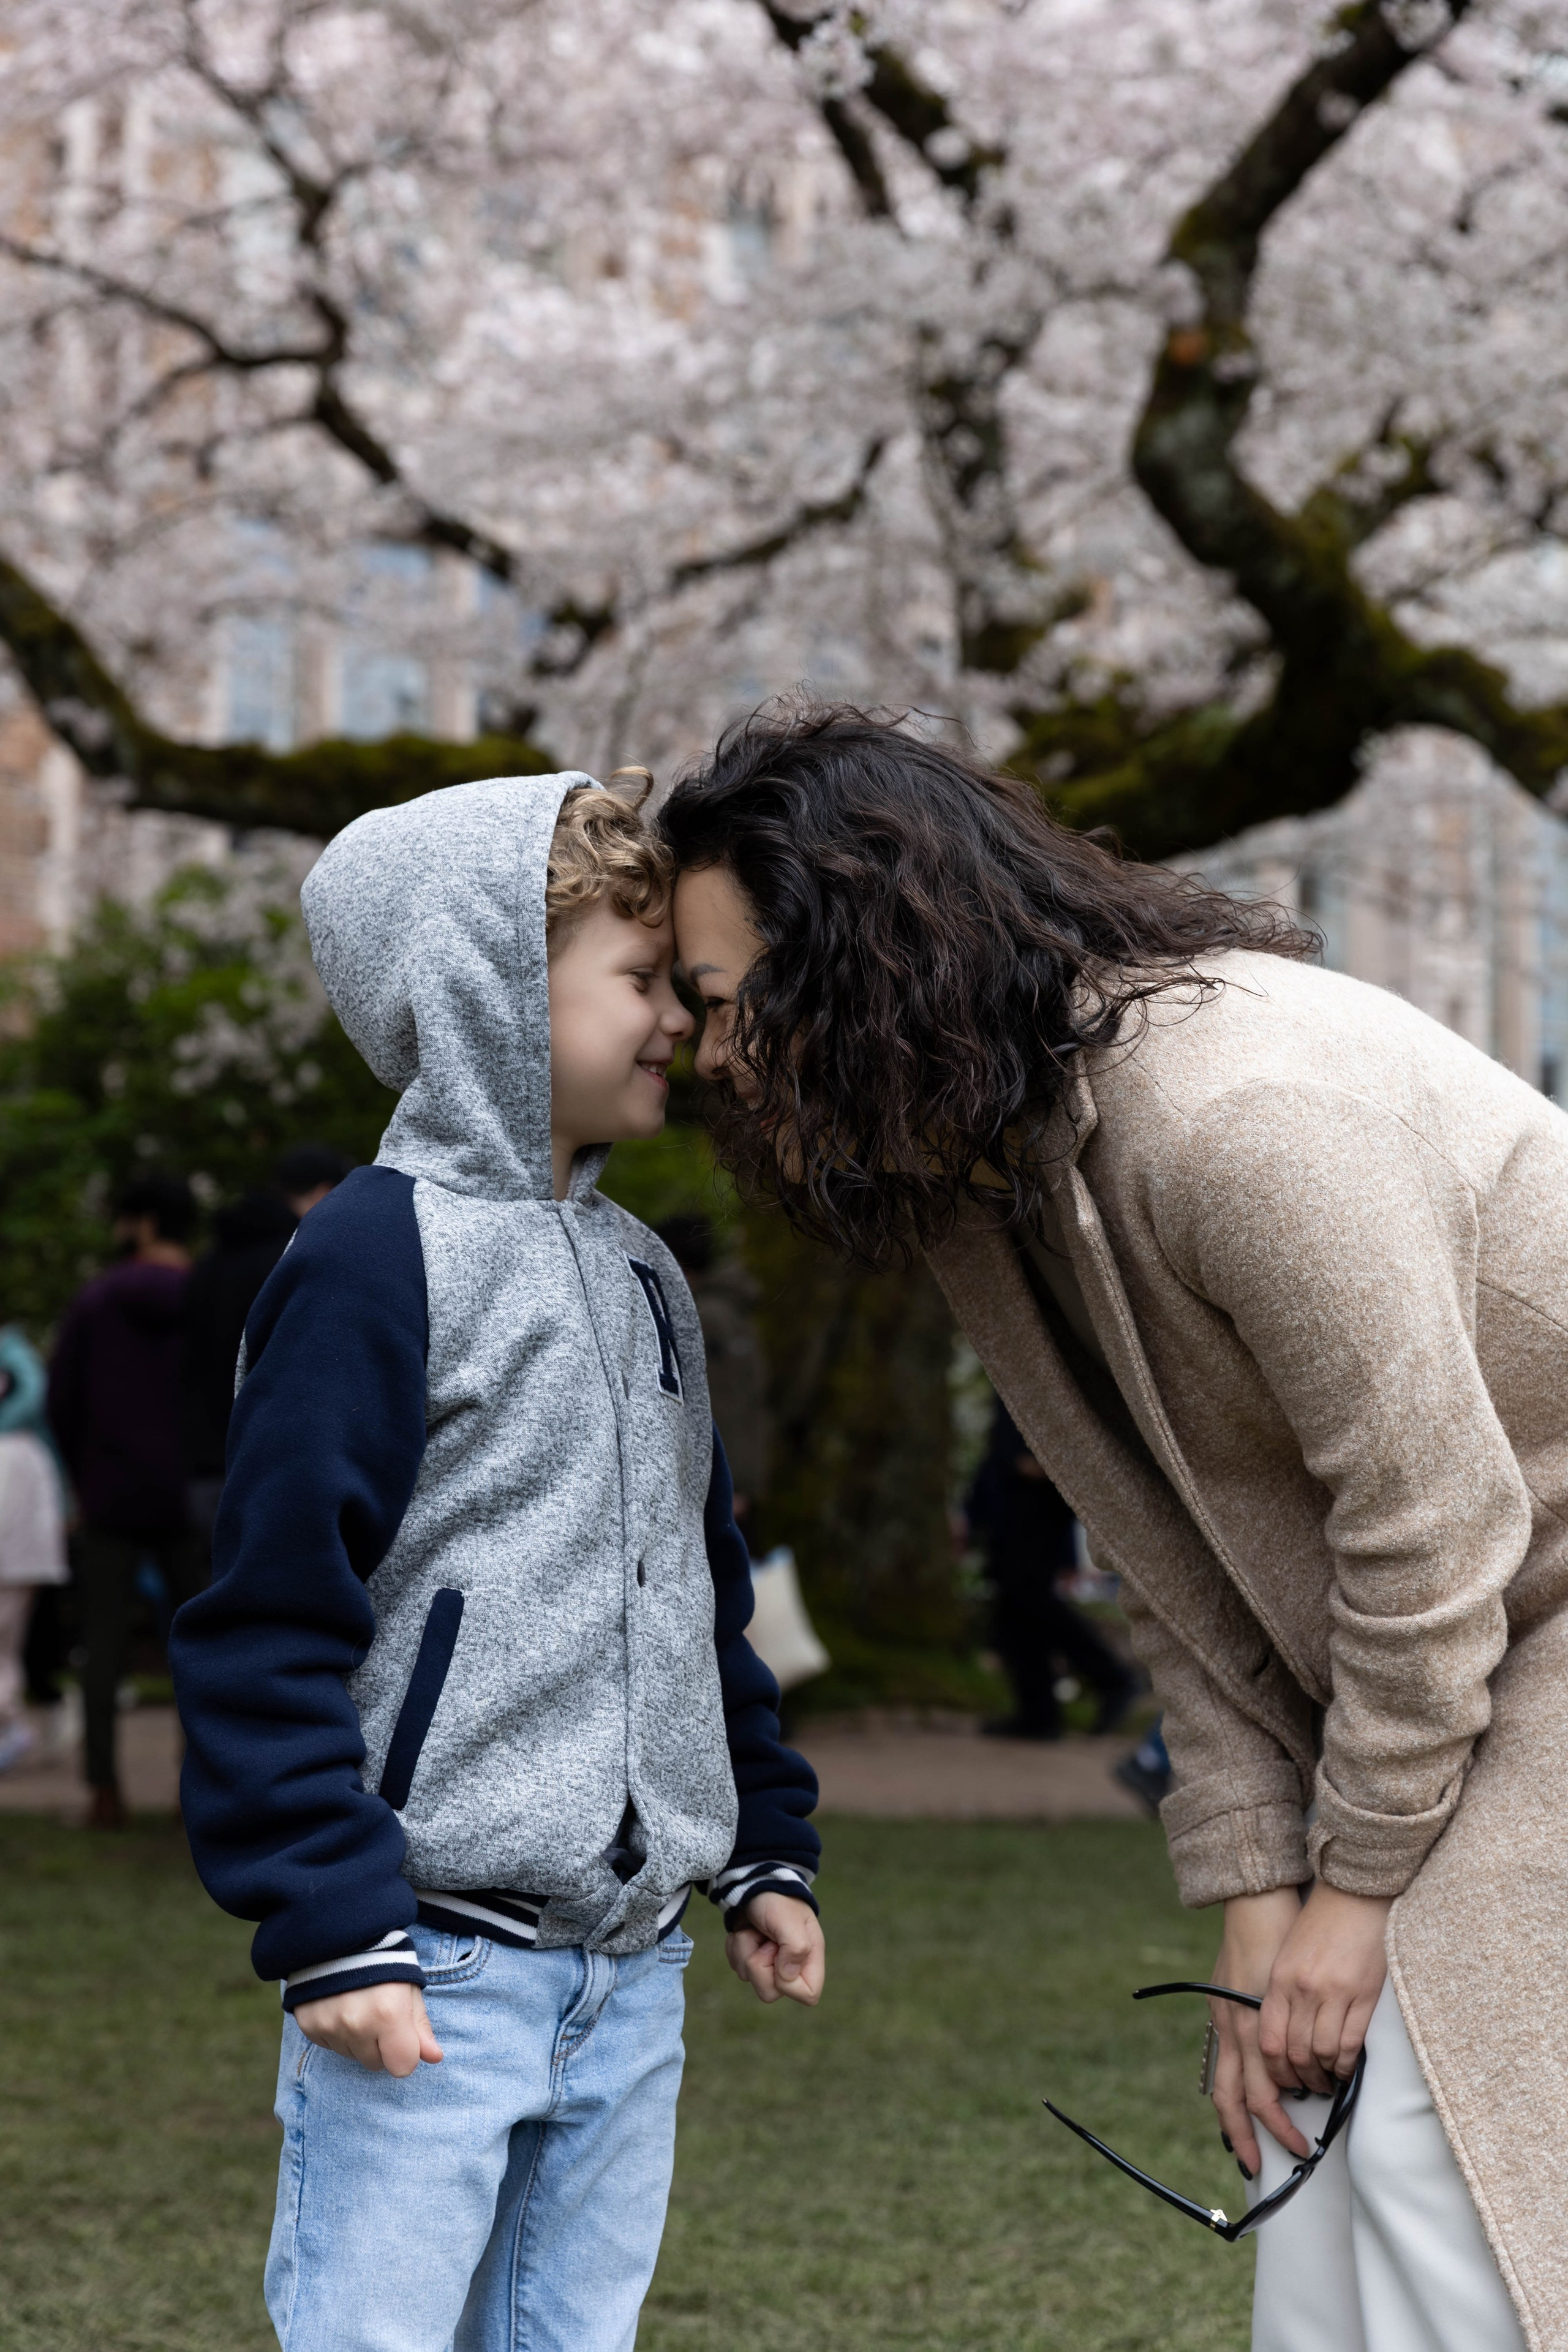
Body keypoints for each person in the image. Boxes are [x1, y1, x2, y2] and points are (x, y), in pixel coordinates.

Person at [663, 703, 1558, 2352]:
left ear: (854, 955)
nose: (707, 1056)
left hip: (1519, 1611)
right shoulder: (1000, 1168)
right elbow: (1177, 1557)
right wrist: (1253, 1898)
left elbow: (1433, 1534)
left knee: (1447, 2123)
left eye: (722, 1003)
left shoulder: (1246, 1119)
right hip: (1461, 1629)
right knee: (1318, 2145)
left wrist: (1350, 1901)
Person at [170, 772, 825, 2352]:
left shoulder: (645, 1274)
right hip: (428, 1961)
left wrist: (759, 1840)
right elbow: (264, 1619)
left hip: (629, 1979)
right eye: (640, 976)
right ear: (489, 988)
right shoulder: (368, 1258)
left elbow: (697, 1591)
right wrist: (330, 1918)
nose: (678, 1016)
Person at [49, 1170, 203, 1828]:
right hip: (191, 1491)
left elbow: (62, 1398)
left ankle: (105, 1790)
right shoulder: (207, 1294)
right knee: (198, 1647)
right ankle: (194, 1789)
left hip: (109, 1490)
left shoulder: (96, 1300)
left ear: (140, 1222)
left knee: (104, 1644)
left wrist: (81, 1476)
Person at [180, 1145, 351, 1544]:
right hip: (277, 1471)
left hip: (205, 1465)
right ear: (325, 1192)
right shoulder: (298, 1258)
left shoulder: (209, 1263)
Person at [964, 1398, 1137, 1740]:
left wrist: (1031, 1466)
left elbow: (1056, 1457)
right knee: (1017, 1617)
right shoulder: (1005, 1387)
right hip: (1008, 1519)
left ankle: (1113, 1679)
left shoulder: (1043, 1378)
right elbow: (997, 1457)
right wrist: (973, 1512)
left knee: (1034, 1603)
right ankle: (1039, 1716)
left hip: (1036, 1520)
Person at [654, 1212, 771, 1543]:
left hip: (722, 1490)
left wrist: (731, 1487)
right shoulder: (729, 1308)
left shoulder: (705, 1317)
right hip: (734, 1485)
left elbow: (726, 1406)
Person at [0, 1322, 67, 1773]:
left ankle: (11, 1723)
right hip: (21, 1534)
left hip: (18, 1537)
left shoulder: (20, 1444)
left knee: (9, 1635)